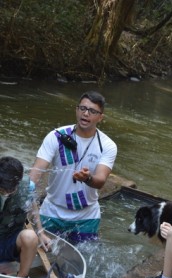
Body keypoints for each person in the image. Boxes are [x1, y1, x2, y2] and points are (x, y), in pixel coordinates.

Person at [30, 91, 117, 244]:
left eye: (93, 111)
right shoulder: (56, 136)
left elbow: (101, 180)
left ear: (100, 117)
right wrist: (28, 188)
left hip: (87, 217)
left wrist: (88, 178)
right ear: (76, 110)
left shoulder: (107, 146)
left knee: (81, 261)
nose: (86, 113)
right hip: (52, 211)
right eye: (82, 108)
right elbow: (36, 173)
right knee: (42, 256)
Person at [0, 156, 50, 278]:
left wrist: (40, 232)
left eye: (11, 189)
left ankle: (21, 277)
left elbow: (32, 206)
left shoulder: (27, 186)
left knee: (30, 237)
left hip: (10, 240)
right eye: (3, 189)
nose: (7, 192)